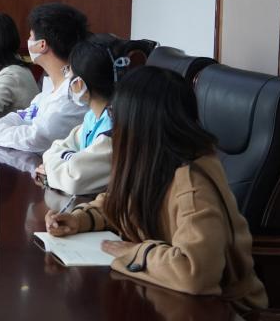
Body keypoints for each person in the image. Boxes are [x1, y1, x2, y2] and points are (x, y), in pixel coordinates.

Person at [45, 67, 267, 309]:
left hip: (223, 309)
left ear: (139, 125)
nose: (114, 127)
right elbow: (119, 204)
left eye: (116, 115)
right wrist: (79, 219)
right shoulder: (154, 164)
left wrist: (133, 253)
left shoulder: (193, 182)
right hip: (165, 296)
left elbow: (194, 273)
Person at [0, 3, 89, 152]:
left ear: (42, 45)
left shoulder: (74, 93)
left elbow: (37, 137)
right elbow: (24, 117)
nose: (28, 40)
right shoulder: (50, 88)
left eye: (31, 36)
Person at [38, 34, 127, 195]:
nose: (67, 78)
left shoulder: (115, 128)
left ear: (79, 83)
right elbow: (55, 148)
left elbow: (73, 179)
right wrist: (70, 159)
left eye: (69, 72)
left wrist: (56, 167)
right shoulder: (92, 117)